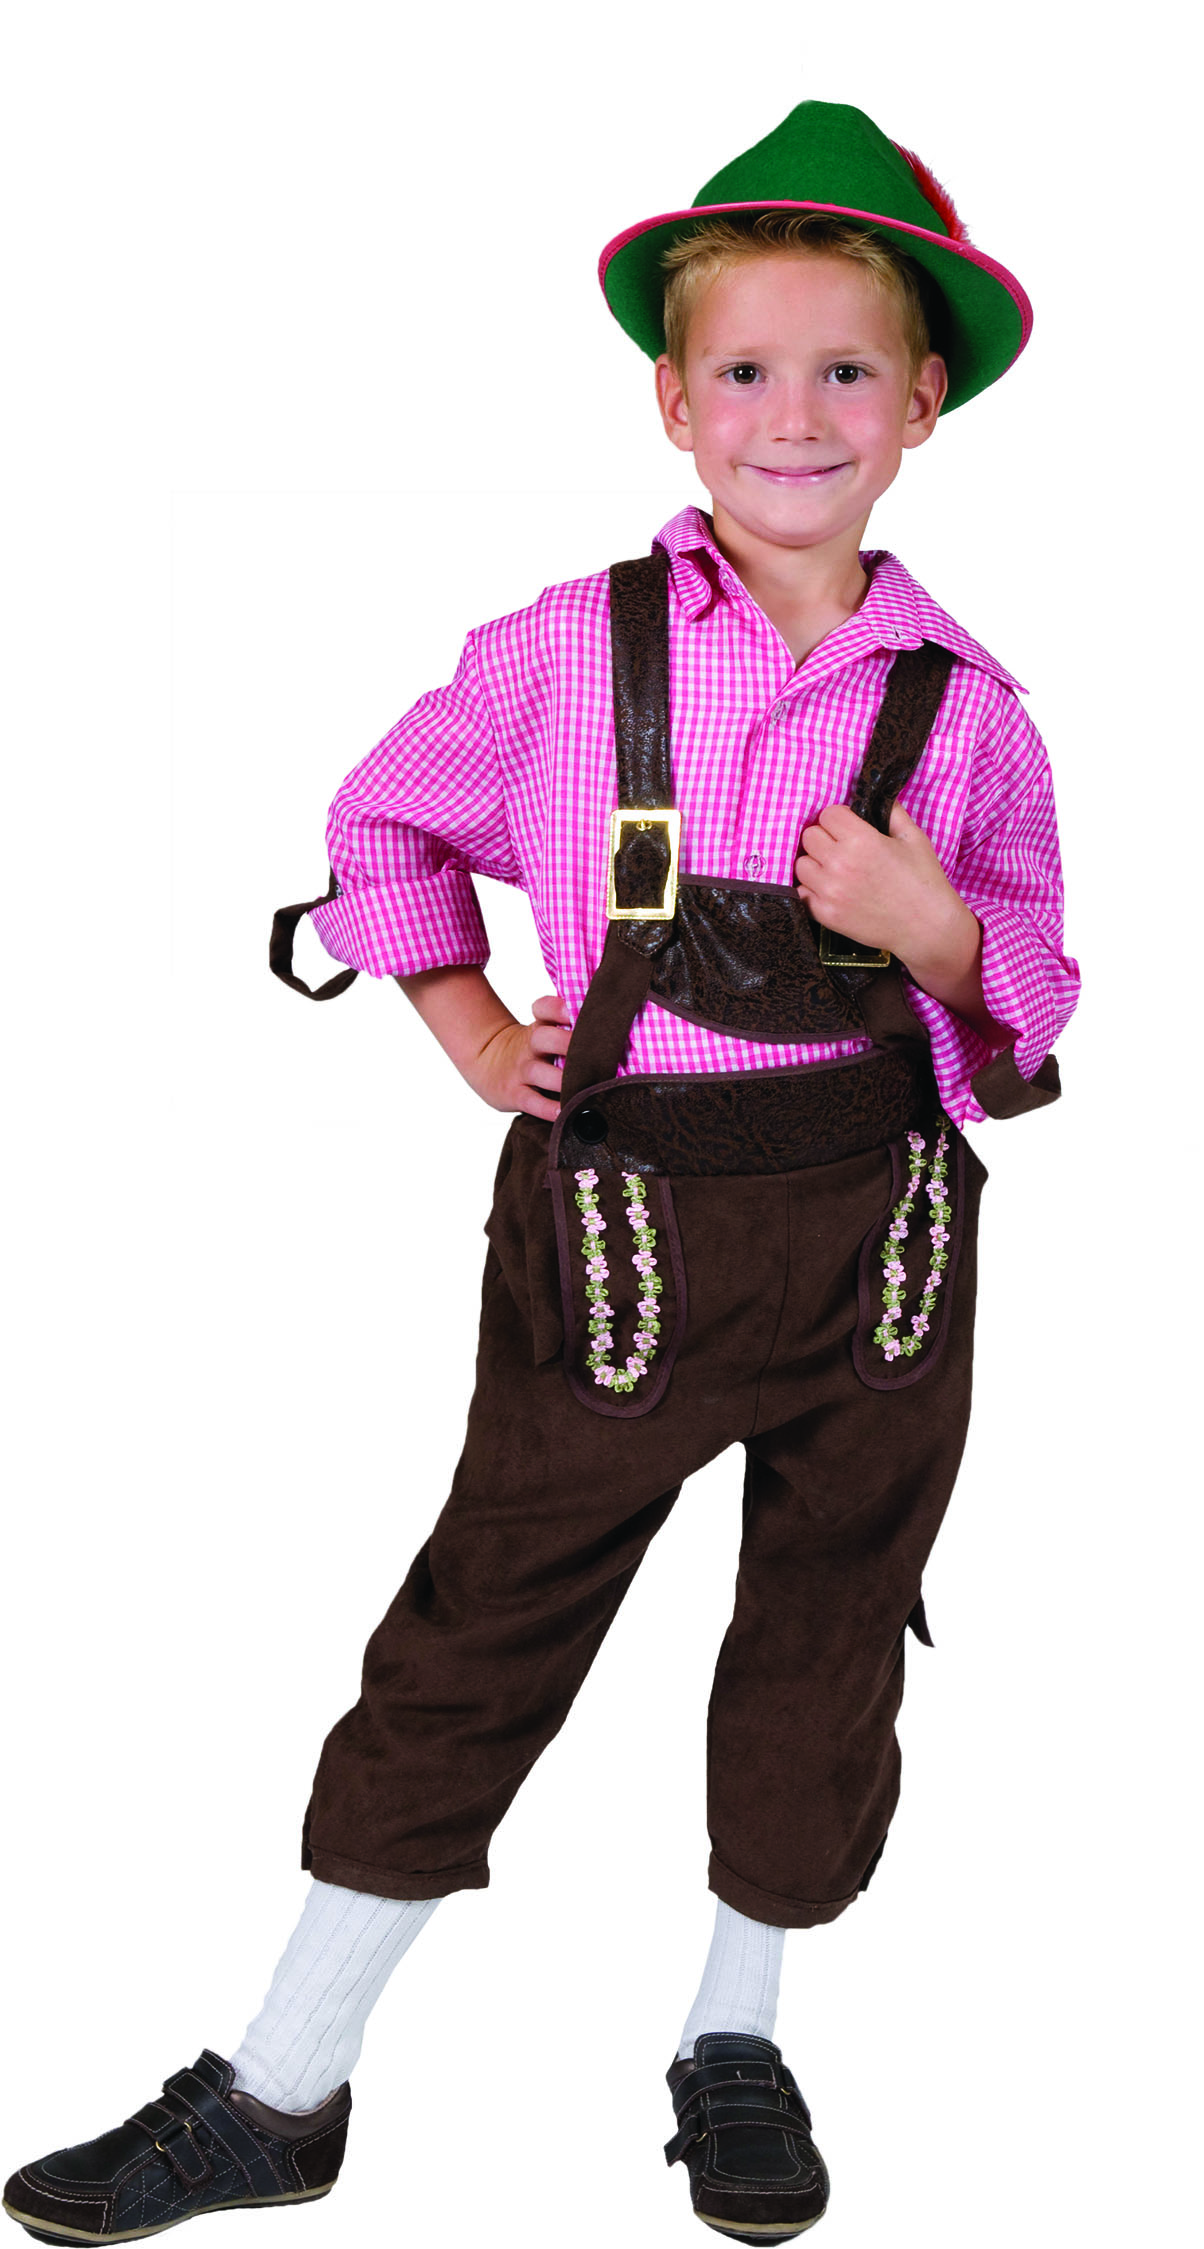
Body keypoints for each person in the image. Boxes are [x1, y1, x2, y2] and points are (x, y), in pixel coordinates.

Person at [4, 99, 1079, 2246]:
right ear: (674, 400)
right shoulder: (559, 656)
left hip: (880, 1250)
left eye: (845, 371)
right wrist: (479, 1033)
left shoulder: (968, 709)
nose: (796, 416)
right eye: (746, 370)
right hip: (616, 1239)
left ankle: (733, 2032)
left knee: (825, 1635)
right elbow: (380, 832)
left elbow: (1036, 998)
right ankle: (283, 2083)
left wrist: (935, 930)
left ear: (921, 407)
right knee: (482, 1625)